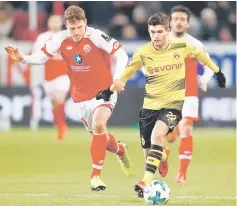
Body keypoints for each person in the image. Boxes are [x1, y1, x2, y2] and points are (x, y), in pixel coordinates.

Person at [5, 5, 134, 191]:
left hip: (104, 91)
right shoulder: (59, 38)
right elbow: (41, 57)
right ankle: (121, 150)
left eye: (79, 28)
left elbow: (121, 54)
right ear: (66, 26)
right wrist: (22, 58)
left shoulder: (96, 36)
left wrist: (118, 77)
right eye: (72, 28)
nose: (75, 32)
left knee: (99, 124)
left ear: (85, 23)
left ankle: (95, 177)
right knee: (102, 138)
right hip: (81, 96)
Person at [97, 12, 226, 198]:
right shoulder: (143, 53)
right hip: (150, 106)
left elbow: (201, 55)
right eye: (152, 32)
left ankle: (145, 182)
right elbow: (127, 73)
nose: (156, 36)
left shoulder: (182, 46)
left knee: (159, 134)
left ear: (168, 30)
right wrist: (109, 89)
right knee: (149, 149)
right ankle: (163, 156)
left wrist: (217, 71)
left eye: (159, 31)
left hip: (173, 104)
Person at [166, 5, 216, 184]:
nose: (179, 22)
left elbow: (210, 66)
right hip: (167, 93)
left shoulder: (195, 44)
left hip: (189, 92)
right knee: (169, 136)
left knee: (187, 125)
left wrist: (203, 79)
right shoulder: (161, 42)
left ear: (187, 23)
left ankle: (182, 172)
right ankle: (164, 153)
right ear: (170, 22)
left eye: (182, 19)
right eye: (175, 19)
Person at [31, 15, 69, 140]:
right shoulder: (42, 37)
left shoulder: (67, 36)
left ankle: (61, 126)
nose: (54, 23)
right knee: (54, 102)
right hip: (48, 75)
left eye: (57, 21)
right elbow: (37, 54)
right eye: (52, 21)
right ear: (48, 23)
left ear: (61, 23)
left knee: (60, 98)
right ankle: (58, 123)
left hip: (63, 73)